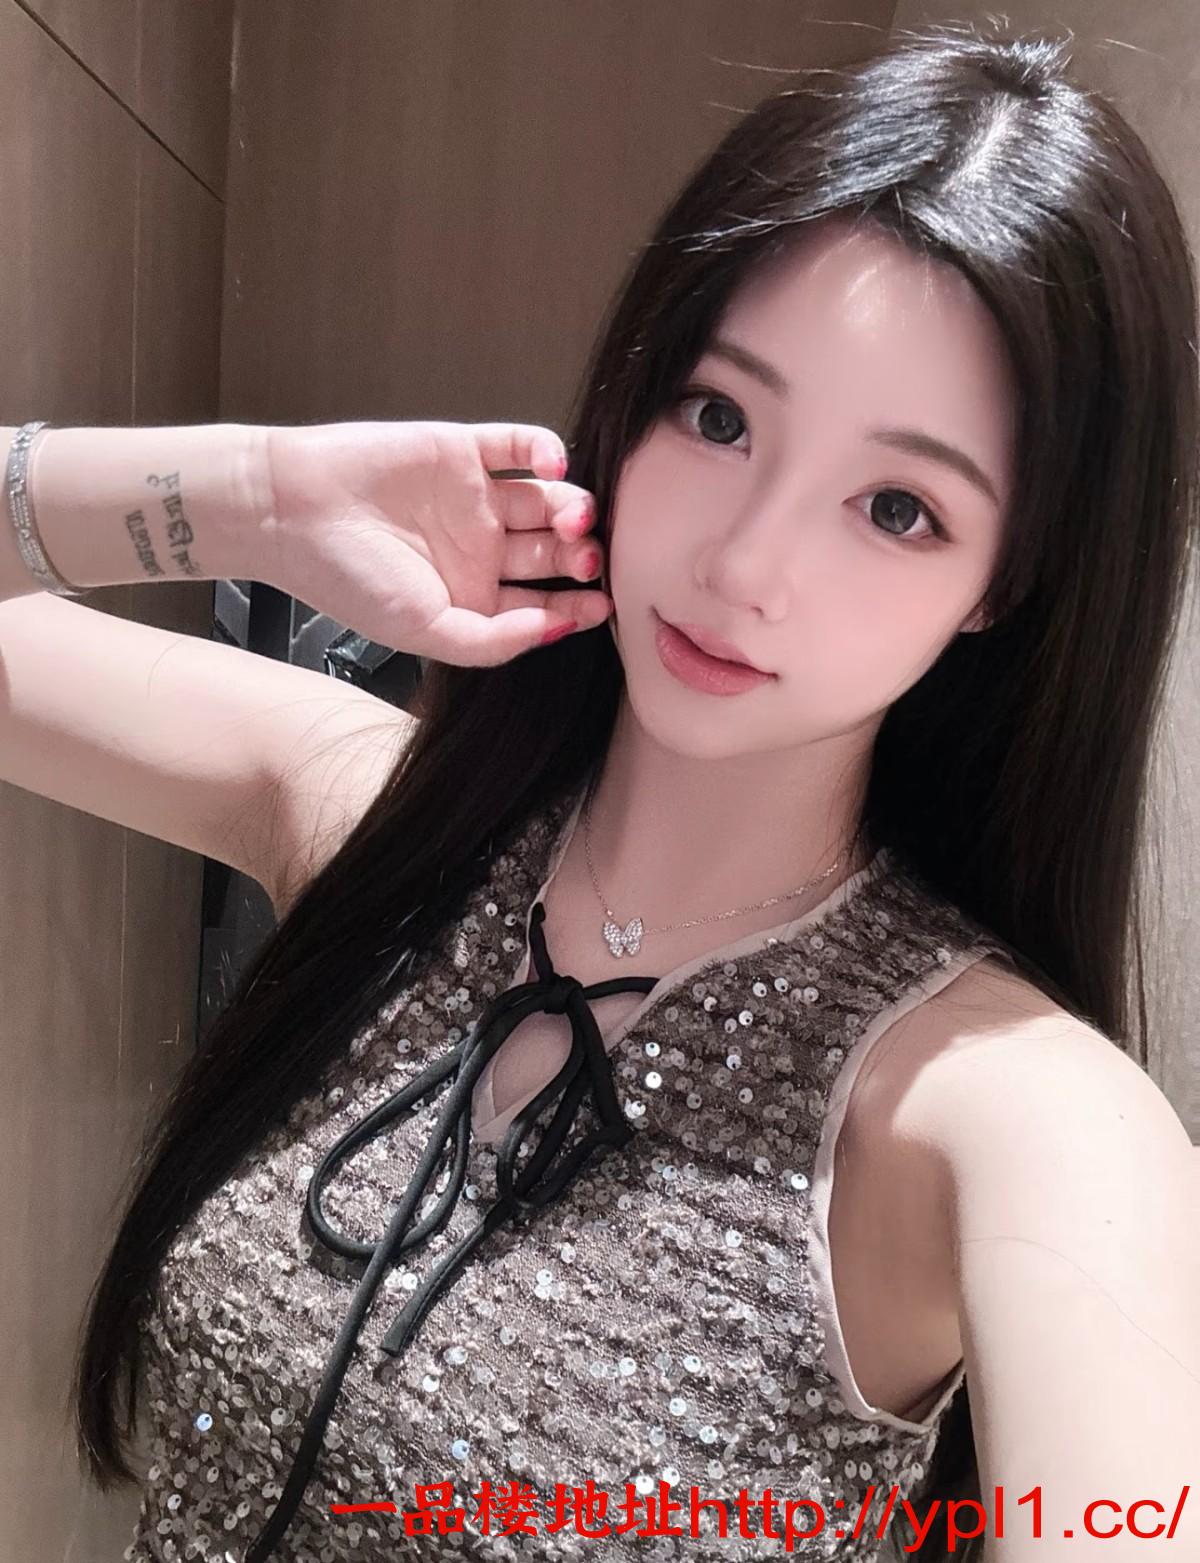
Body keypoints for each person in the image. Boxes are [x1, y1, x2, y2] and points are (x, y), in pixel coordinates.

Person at [2, 17, 1197, 1563]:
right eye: (721, 417)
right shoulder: (375, 823)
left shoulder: (1001, 1110)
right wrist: (255, 496)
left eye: (897, 507)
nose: (746, 563)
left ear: (1003, 587)